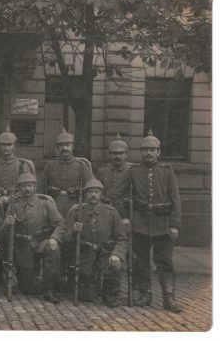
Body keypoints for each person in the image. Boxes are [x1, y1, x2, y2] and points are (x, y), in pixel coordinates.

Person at [117, 129, 182, 313]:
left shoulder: (167, 172)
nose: (148, 153)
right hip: (140, 223)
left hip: (163, 223)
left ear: (159, 152)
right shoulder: (134, 171)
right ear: (141, 152)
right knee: (140, 261)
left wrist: (175, 224)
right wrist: (124, 216)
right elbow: (118, 194)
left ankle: (169, 298)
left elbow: (175, 199)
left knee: (165, 262)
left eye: (152, 150)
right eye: (145, 150)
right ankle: (144, 294)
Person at [0, 173, 66, 304]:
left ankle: (49, 289)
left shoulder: (45, 204)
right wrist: (8, 223)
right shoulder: (15, 205)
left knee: (52, 250)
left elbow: (61, 223)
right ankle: (31, 282)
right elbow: (4, 232)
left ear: (35, 187)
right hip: (23, 245)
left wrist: (54, 238)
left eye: (30, 186)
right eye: (24, 186)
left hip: (42, 240)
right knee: (27, 288)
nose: (27, 189)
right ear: (20, 188)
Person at [65, 178, 128, 307]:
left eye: (96, 192)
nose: (93, 195)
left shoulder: (111, 212)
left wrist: (117, 254)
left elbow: (122, 238)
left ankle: (110, 293)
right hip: (85, 254)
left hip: (105, 252)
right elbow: (65, 238)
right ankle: (92, 288)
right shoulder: (77, 212)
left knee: (114, 264)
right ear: (85, 194)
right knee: (87, 296)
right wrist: (73, 231)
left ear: (101, 194)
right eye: (90, 192)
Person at [42, 127, 93, 218]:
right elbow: (42, 189)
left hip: (75, 205)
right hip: (54, 205)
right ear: (57, 147)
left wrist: (84, 210)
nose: (64, 148)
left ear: (73, 146)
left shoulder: (81, 166)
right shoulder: (50, 166)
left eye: (67, 145)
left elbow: (88, 190)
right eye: (61, 145)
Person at [0, 126, 35, 205]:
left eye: (9, 145)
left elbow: (28, 189)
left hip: (18, 204)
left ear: (14, 147)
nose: (6, 148)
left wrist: (10, 198)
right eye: (3, 145)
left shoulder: (22, 165)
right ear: (0, 147)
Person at [95, 133, 133, 234]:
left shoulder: (132, 171)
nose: (117, 156)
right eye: (114, 153)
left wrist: (128, 217)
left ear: (126, 154)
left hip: (126, 215)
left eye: (120, 153)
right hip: (105, 213)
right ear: (109, 154)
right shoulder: (102, 171)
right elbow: (96, 191)